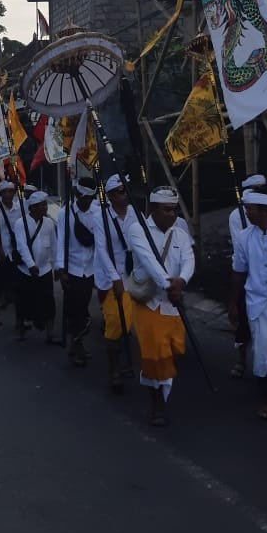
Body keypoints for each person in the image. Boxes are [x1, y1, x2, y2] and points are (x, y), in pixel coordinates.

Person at [128, 187, 195, 426]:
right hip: (149, 302)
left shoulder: (181, 233)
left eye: (174, 209)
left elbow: (189, 259)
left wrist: (182, 280)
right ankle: (157, 403)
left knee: (173, 351)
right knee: (153, 354)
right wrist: (169, 284)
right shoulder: (138, 230)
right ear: (153, 209)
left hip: (173, 302)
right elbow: (149, 261)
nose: (172, 214)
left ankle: (162, 392)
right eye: (167, 209)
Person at [229, 191, 267, 419]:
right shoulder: (245, 237)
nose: (246, 212)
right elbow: (238, 272)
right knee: (263, 353)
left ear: (263, 211)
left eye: (250, 209)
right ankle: (266, 398)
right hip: (258, 303)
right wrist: (233, 304)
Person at [92, 174, 137, 393]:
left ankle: (127, 359)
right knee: (114, 323)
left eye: (126, 189)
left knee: (127, 323)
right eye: (120, 191)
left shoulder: (135, 214)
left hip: (132, 275)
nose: (125, 193)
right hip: (111, 278)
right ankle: (115, 369)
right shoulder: (101, 218)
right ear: (110, 196)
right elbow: (101, 250)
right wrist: (115, 278)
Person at [228, 173, 267, 377]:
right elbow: (240, 247)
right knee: (243, 318)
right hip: (248, 271)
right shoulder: (238, 216)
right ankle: (242, 359)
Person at [55, 181, 97, 366]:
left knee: (83, 309)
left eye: (90, 199)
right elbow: (61, 242)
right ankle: (76, 344)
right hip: (72, 269)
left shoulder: (96, 213)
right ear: (78, 195)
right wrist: (61, 269)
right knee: (75, 310)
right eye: (84, 198)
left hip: (90, 270)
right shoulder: (65, 214)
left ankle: (76, 343)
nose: (87, 202)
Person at [0, 181, 32, 328]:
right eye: (5, 192)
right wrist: (0, 252)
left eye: (10, 191)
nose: (8, 194)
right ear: (0, 194)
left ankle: (21, 320)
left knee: (19, 287)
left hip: (15, 254)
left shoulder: (20, 207)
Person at [16, 192, 55, 341]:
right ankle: (22, 329)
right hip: (26, 271)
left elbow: (54, 244)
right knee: (24, 301)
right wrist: (31, 264)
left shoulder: (49, 223)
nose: (45, 207)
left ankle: (50, 332)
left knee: (48, 301)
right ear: (32, 208)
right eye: (42, 205)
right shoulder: (21, 223)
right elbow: (22, 246)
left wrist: (57, 266)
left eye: (45, 204)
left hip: (44, 269)